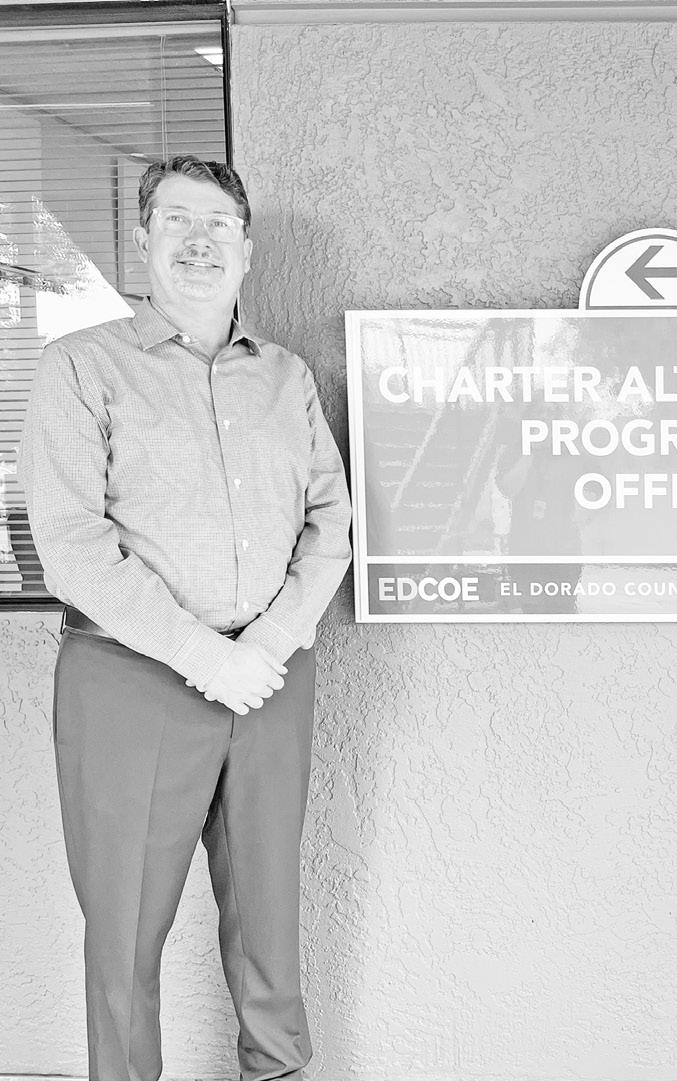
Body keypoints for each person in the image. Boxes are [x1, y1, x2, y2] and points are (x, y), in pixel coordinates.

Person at [20, 156, 352, 1081]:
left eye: (218, 224)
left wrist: (268, 643)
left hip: (270, 676)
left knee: (269, 914)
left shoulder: (285, 377)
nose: (199, 240)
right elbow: (71, 541)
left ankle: (276, 1071)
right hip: (132, 677)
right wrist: (206, 656)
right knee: (125, 926)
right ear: (143, 239)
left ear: (247, 248)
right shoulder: (82, 366)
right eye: (176, 220)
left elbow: (331, 523)